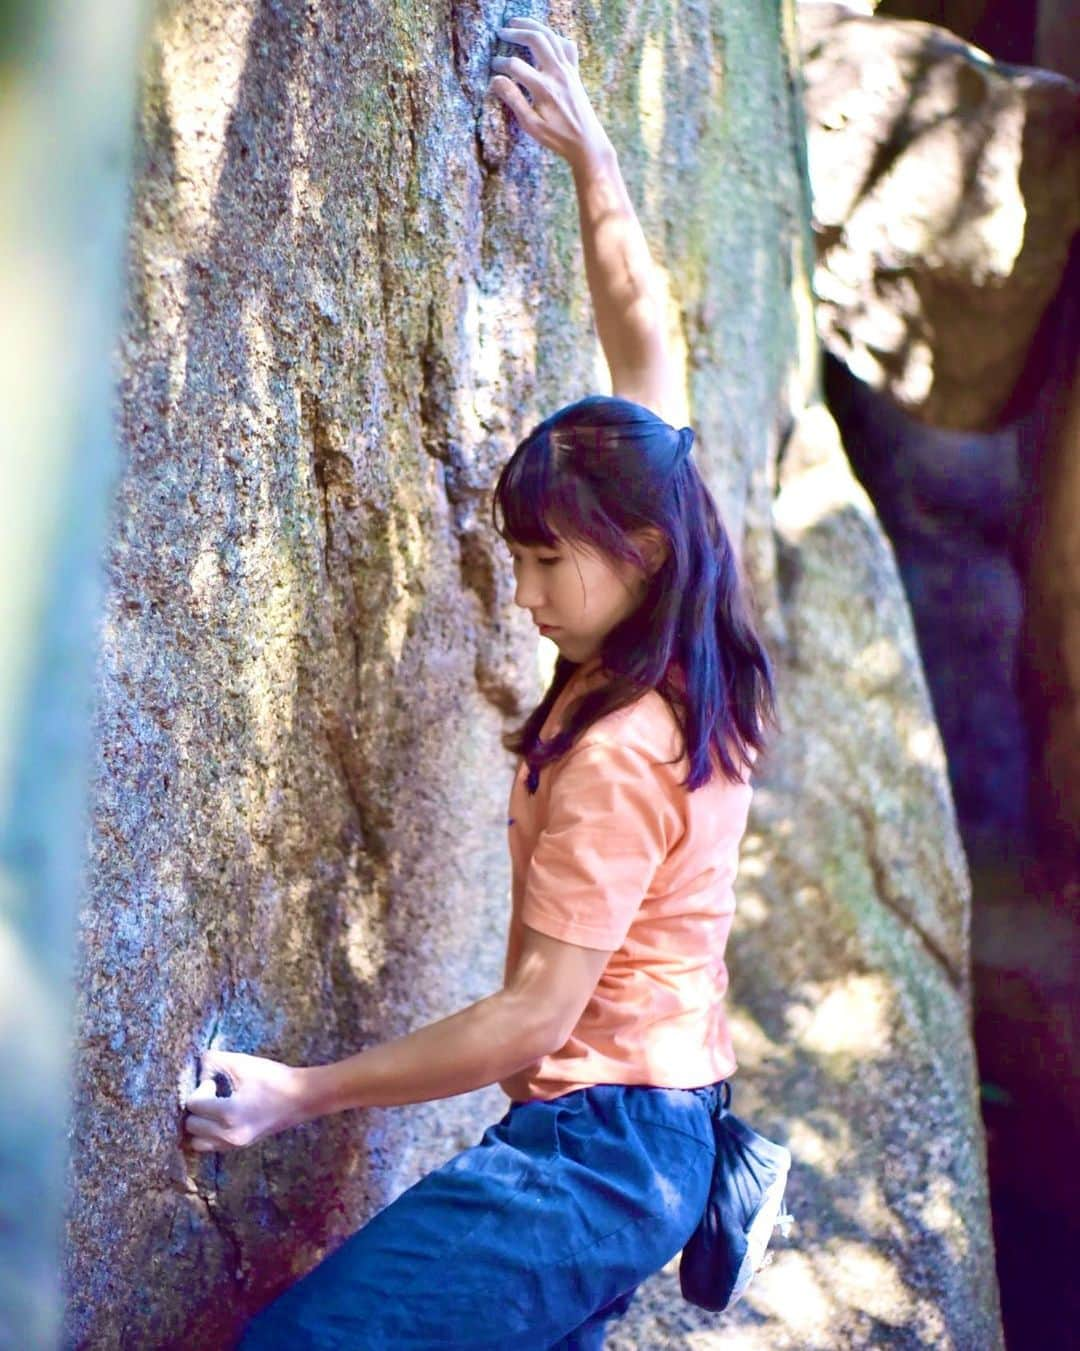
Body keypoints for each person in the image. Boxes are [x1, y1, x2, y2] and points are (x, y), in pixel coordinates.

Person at [182, 16, 789, 1349]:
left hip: (599, 1156)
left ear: (632, 549)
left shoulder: (629, 747)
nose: (521, 595)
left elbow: (532, 1013)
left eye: (541, 561)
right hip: (644, 1135)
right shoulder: (688, 568)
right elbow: (645, 339)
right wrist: (590, 159)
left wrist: (298, 1092)